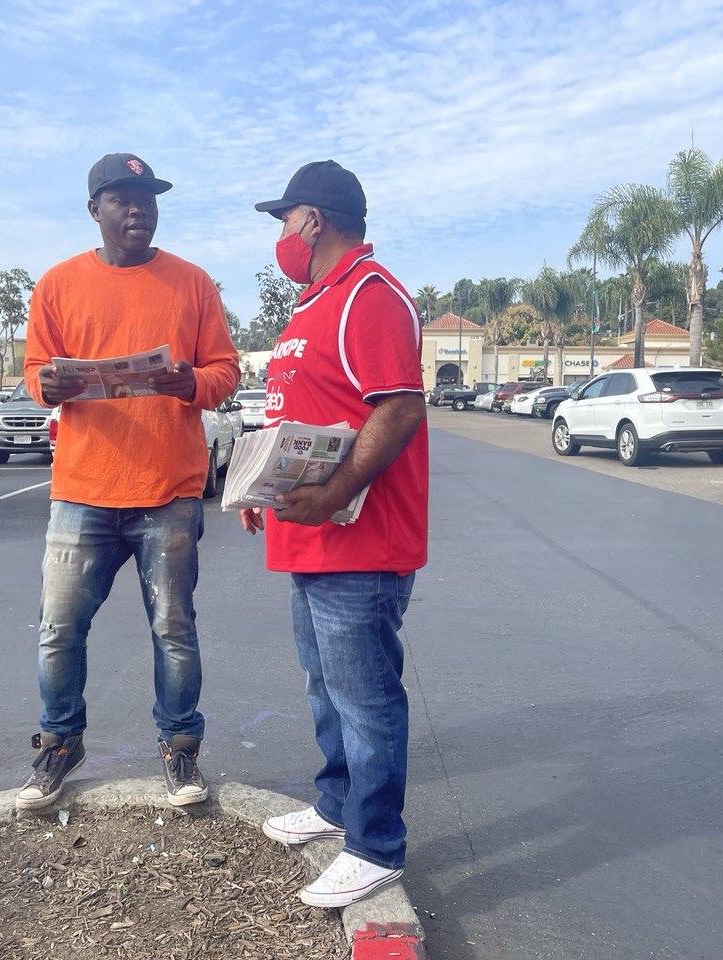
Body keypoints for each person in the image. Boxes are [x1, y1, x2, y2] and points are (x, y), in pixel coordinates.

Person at [16, 153, 240, 812]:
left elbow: (225, 370)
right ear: (95, 209)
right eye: (123, 198)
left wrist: (191, 382)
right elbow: (35, 370)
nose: (139, 208)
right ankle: (60, 741)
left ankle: (180, 746)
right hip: (81, 491)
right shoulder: (58, 284)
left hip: (168, 491)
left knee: (173, 628)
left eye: (148, 197)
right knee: (59, 629)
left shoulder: (192, 283)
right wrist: (47, 384)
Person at [240, 160, 429, 908]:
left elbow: (399, 407)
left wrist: (338, 491)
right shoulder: (314, 303)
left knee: (365, 697)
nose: (282, 235)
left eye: (285, 220)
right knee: (325, 686)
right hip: (310, 540)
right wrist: (262, 485)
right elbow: (306, 417)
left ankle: (375, 845)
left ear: (312, 220)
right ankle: (336, 804)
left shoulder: (369, 296)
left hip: (360, 542)